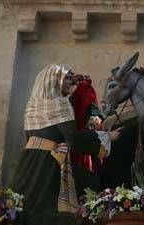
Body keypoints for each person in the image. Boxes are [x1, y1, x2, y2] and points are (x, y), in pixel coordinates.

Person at [12, 65, 121, 225]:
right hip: (50, 165)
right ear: (55, 80)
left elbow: (30, 138)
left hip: (28, 163)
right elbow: (74, 139)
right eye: (67, 78)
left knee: (25, 206)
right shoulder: (61, 104)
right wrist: (107, 137)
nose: (72, 82)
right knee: (52, 208)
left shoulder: (32, 106)